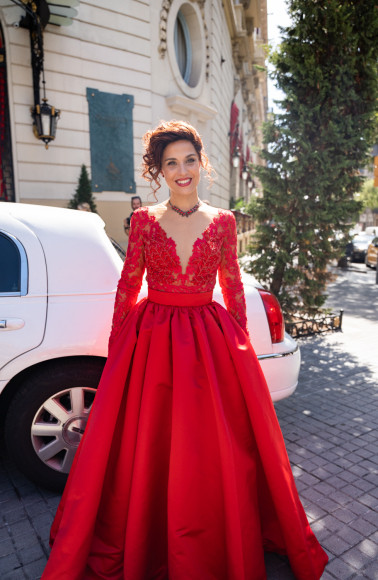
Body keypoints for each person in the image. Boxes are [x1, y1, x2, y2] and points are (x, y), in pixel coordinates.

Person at [41, 120, 328, 580]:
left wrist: (239, 353)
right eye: (170, 162)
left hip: (209, 339)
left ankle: (212, 533)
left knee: (209, 444)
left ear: (201, 163)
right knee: (147, 443)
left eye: (189, 160)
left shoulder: (224, 222)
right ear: (158, 170)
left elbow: (232, 287)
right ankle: (147, 534)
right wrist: (119, 349)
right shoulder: (143, 222)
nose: (181, 171)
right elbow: (127, 285)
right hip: (150, 338)